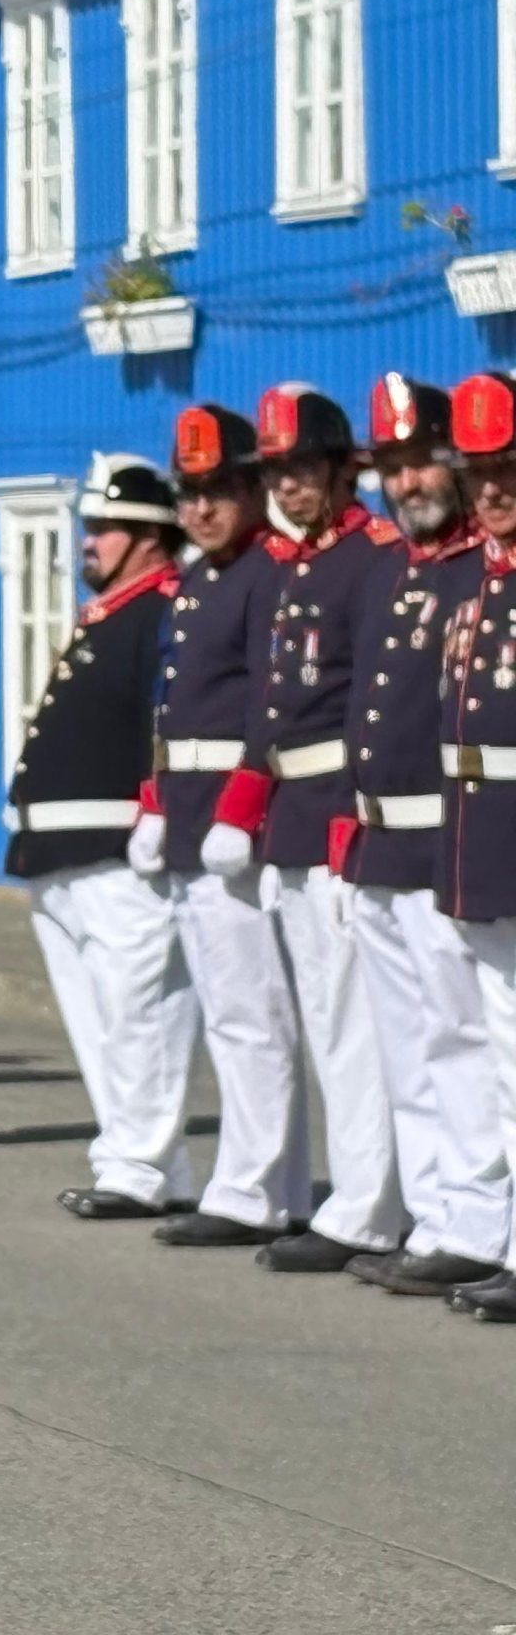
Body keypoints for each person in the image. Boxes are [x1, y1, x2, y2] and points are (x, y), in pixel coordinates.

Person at [202, 382, 407, 1275]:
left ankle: (369, 1206)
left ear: (339, 469)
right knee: (326, 1022)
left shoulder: (372, 557)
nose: (286, 487)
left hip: (335, 820)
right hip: (290, 820)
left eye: (301, 470)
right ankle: (356, 1194)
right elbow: (272, 709)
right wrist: (245, 808)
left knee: (355, 1023)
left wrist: (342, 823)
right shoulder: (297, 565)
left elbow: (370, 706)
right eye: (276, 473)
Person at [337, 375, 507, 1297]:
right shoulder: (387, 567)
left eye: (422, 460)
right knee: (408, 1044)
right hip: (379, 846)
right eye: (393, 467)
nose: (408, 482)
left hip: (449, 840)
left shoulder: (480, 566)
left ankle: (479, 1222)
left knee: (458, 1038)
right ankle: (439, 1211)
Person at [143, 406, 315, 1251]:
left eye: (219, 491)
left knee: (252, 1012)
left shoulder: (265, 574)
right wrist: (153, 803)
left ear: (251, 492)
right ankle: (272, 1186)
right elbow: (171, 705)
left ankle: (252, 1188)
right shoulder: (198, 578)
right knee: (229, 1009)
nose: (202, 510)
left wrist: (240, 808)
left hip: (230, 820)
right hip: (187, 810)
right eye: (190, 493)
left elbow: (267, 705)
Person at [8, 455, 198, 1218]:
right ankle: (134, 1156)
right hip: (58, 852)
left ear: (151, 538)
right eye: (89, 527)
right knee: (100, 1022)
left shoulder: (163, 611)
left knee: (139, 1013)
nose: (90, 542)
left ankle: (145, 1167)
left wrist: (158, 806)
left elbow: (169, 718)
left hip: (118, 851)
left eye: (106, 528)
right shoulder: (112, 612)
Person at [429, 370, 516, 1323]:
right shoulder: (480, 581)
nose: (490, 490)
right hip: (483, 843)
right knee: (504, 1053)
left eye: (509, 470)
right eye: (479, 472)